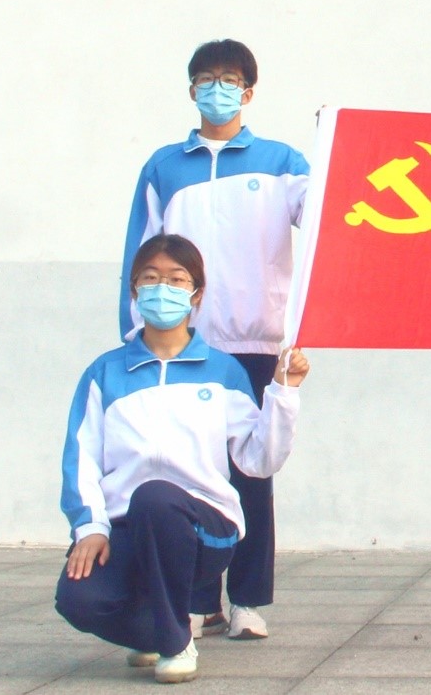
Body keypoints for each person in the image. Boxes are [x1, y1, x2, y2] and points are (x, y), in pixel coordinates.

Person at [120, 39, 309, 641]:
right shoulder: (164, 167)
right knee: (190, 472)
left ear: (249, 91)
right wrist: (135, 332)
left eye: (229, 79)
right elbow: (142, 250)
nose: (217, 88)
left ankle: (248, 599)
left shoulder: (283, 162)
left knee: (252, 474)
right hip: (187, 342)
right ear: (191, 89)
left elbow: (332, 220)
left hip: (256, 340)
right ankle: (201, 599)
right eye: (207, 78)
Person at [57, 235, 310, 684]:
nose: (163, 290)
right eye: (150, 279)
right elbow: (81, 460)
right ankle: (160, 629)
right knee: (79, 601)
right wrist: (91, 528)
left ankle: (176, 645)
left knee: (156, 497)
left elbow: (258, 460)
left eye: (176, 280)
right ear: (134, 291)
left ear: (196, 294)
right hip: (128, 525)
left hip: (203, 528)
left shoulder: (222, 370)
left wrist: (283, 393)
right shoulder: (105, 373)